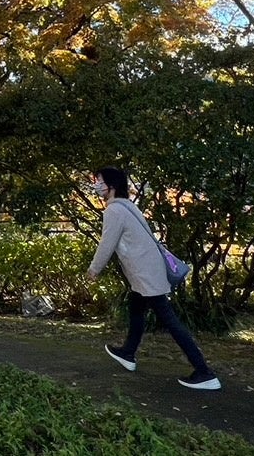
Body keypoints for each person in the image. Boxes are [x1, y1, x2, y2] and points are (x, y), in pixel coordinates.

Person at [87, 166, 221, 391]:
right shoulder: (128, 206)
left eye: (99, 181)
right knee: (136, 308)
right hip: (148, 270)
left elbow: (107, 244)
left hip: (145, 273)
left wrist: (94, 269)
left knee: (170, 321)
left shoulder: (114, 211)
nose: (96, 185)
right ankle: (128, 353)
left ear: (111, 185)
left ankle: (204, 372)